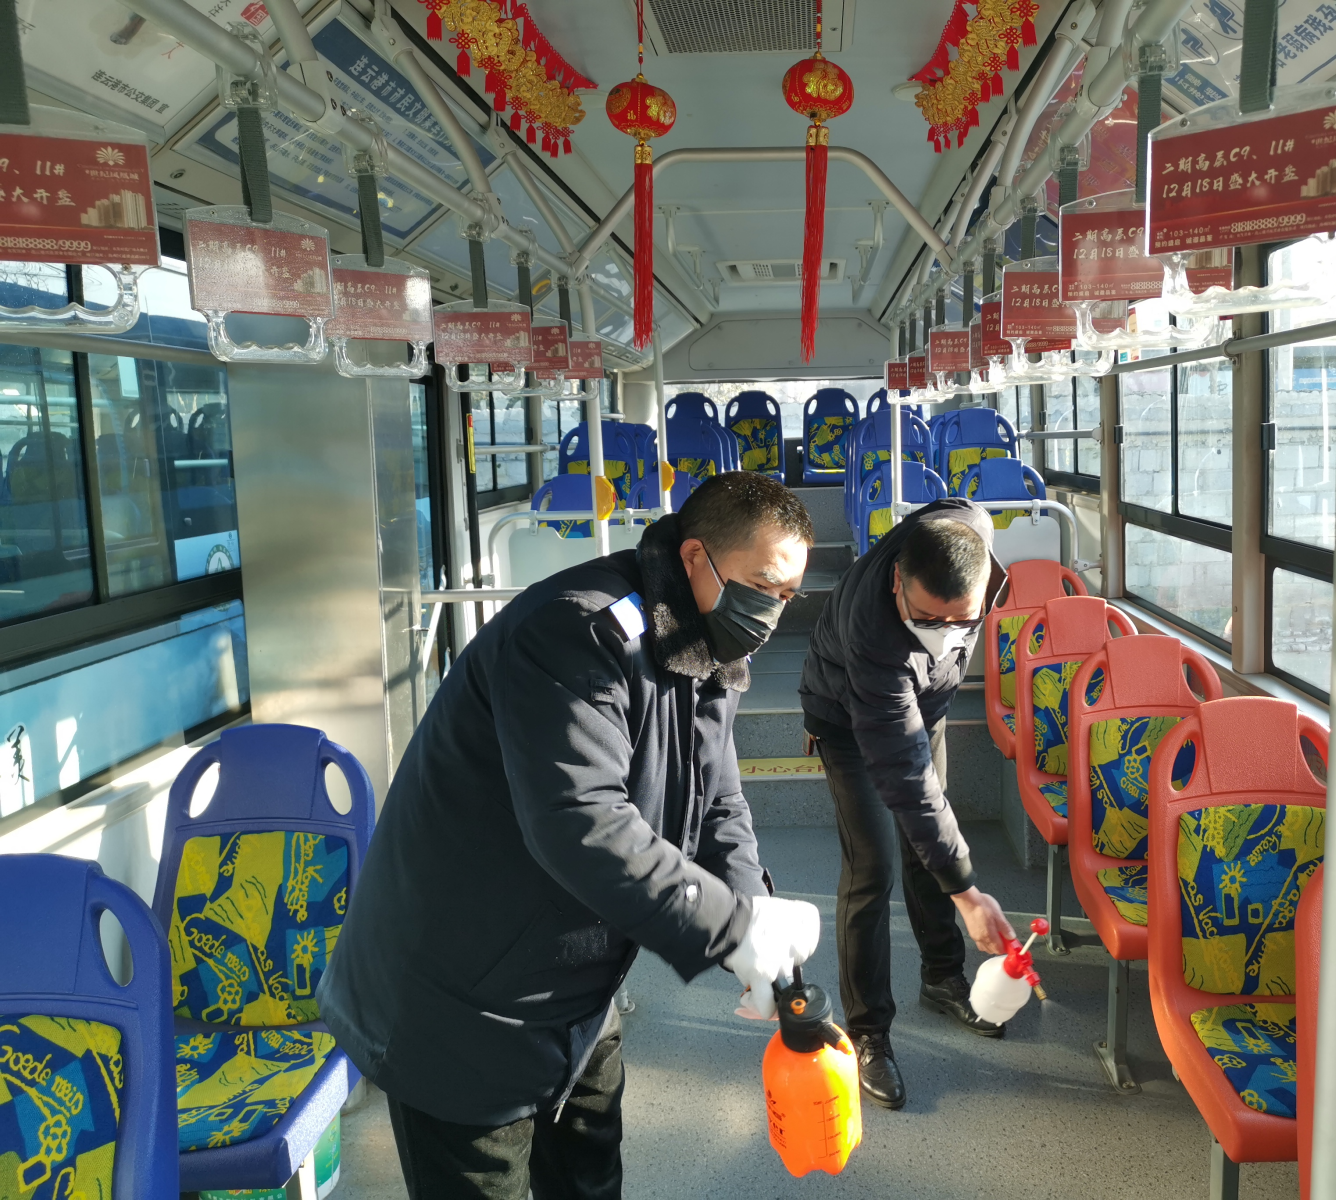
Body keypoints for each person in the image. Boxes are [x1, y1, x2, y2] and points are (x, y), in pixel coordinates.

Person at [319, 472, 822, 1200]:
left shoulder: (705, 638)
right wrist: (728, 926)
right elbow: (578, 820)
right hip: (460, 1001)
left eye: (788, 596)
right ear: (694, 558)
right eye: (762, 588)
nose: (771, 613)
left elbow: (717, 796)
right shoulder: (574, 635)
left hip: (574, 992)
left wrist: (753, 914)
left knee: (589, 1180)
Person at [798, 497, 1013, 1110]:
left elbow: (959, 514)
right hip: (849, 714)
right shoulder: (874, 631)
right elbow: (907, 777)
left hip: (927, 708)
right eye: (925, 617)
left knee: (928, 850)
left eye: (960, 621)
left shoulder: (969, 532)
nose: (943, 632)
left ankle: (942, 978)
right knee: (872, 868)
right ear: (897, 580)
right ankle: (868, 1032)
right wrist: (969, 894)